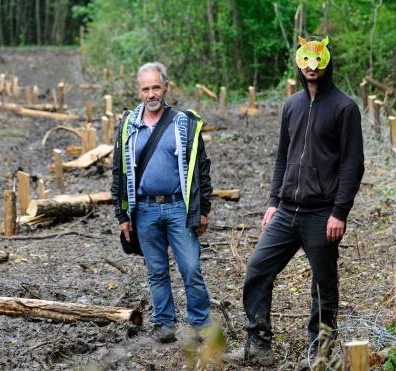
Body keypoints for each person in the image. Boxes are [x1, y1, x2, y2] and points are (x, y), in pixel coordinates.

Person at [242, 36, 365, 367]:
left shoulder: (344, 107)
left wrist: (339, 212)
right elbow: (283, 155)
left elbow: (353, 164)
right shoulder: (291, 104)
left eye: (318, 61)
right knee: (257, 268)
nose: (312, 68)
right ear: (298, 63)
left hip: (322, 214)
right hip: (286, 210)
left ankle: (320, 346)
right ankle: (259, 340)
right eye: (306, 61)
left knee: (323, 284)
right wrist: (272, 201)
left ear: (327, 63)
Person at [111, 62, 212, 343]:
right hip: (143, 210)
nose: (151, 93)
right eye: (146, 89)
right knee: (156, 271)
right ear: (139, 91)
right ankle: (164, 324)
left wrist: (203, 210)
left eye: (156, 87)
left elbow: (202, 168)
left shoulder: (184, 123)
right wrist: (122, 216)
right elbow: (118, 170)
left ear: (166, 87)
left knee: (191, 267)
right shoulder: (128, 126)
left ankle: (202, 325)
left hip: (178, 207)